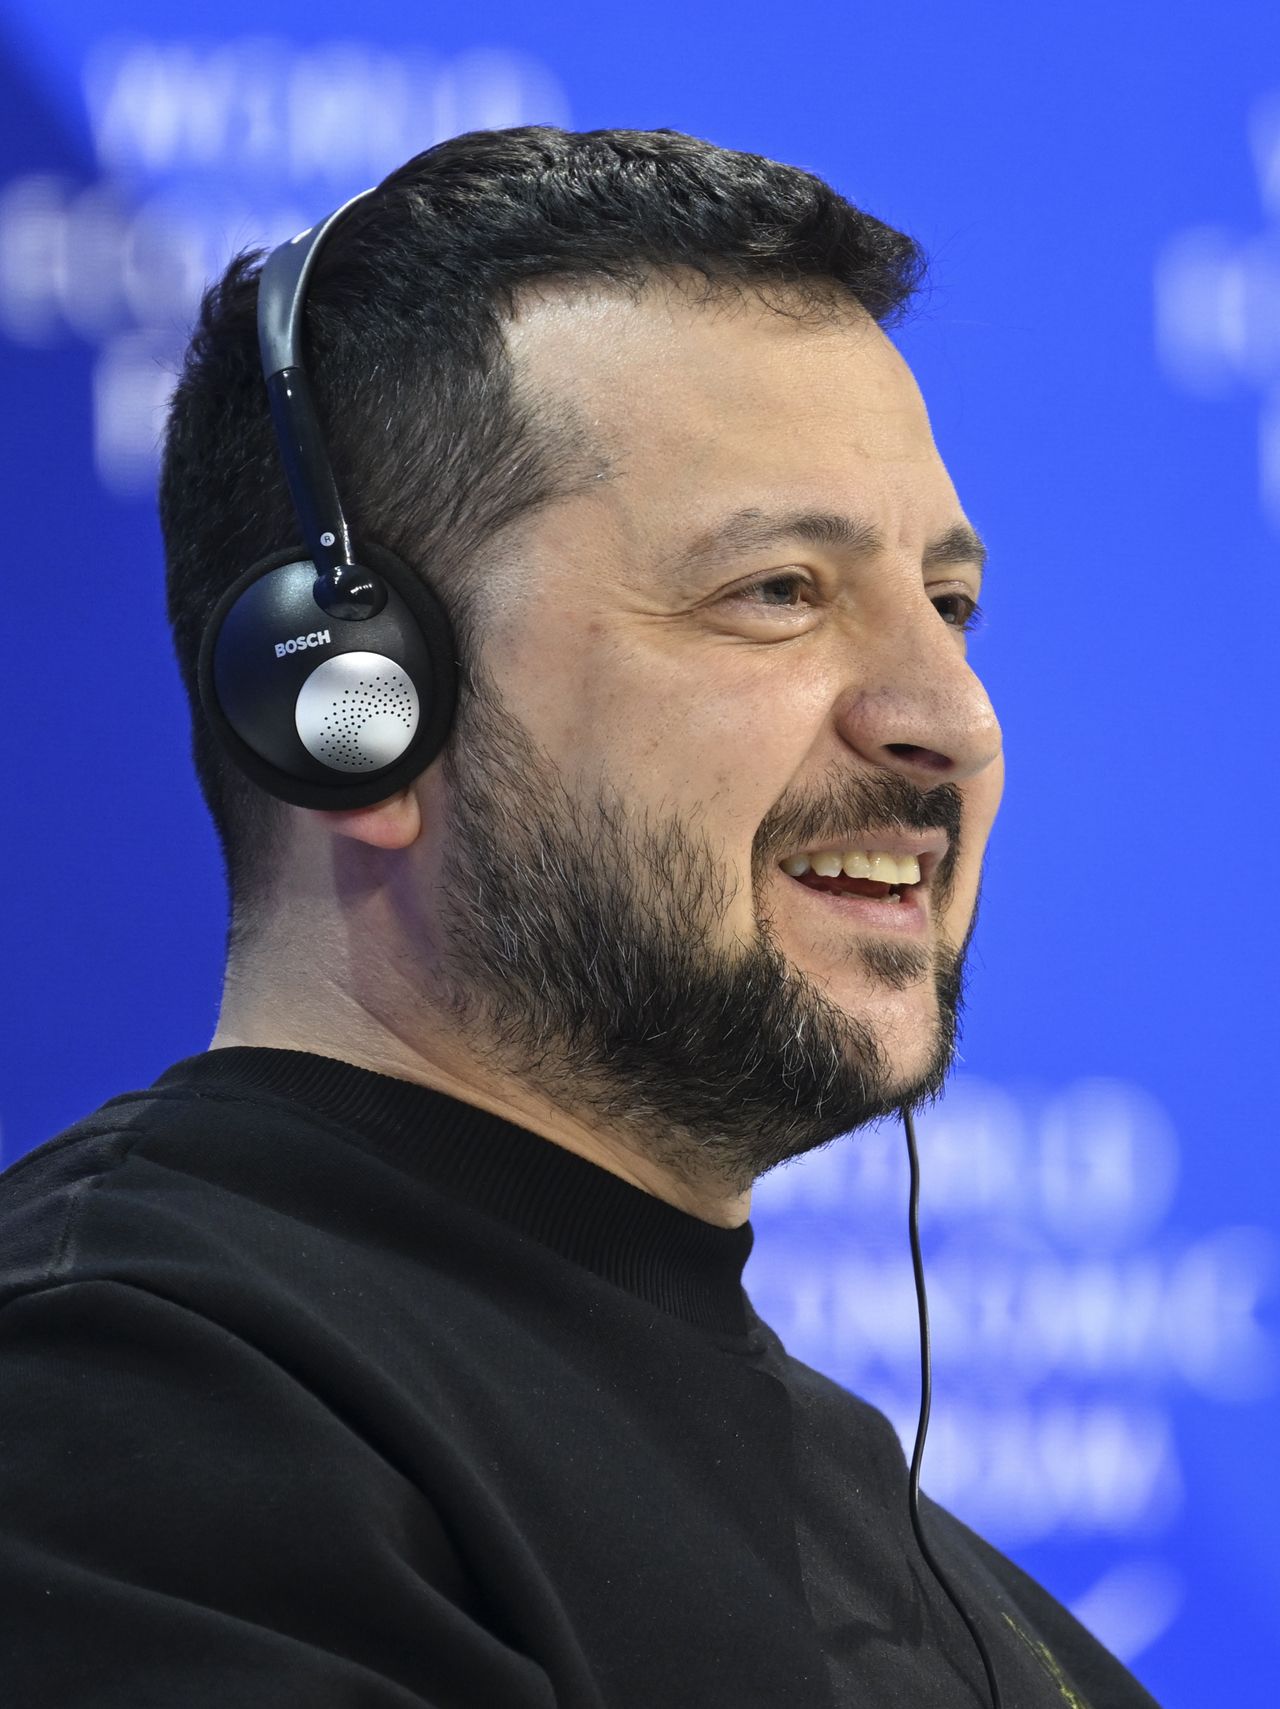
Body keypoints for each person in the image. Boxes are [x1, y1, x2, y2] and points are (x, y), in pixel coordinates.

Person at [0, 127, 1159, 1707]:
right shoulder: (123, 1395)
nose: (945, 718)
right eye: (778, 591)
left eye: (947, 606)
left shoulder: (951, 1576)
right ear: (355, 706)